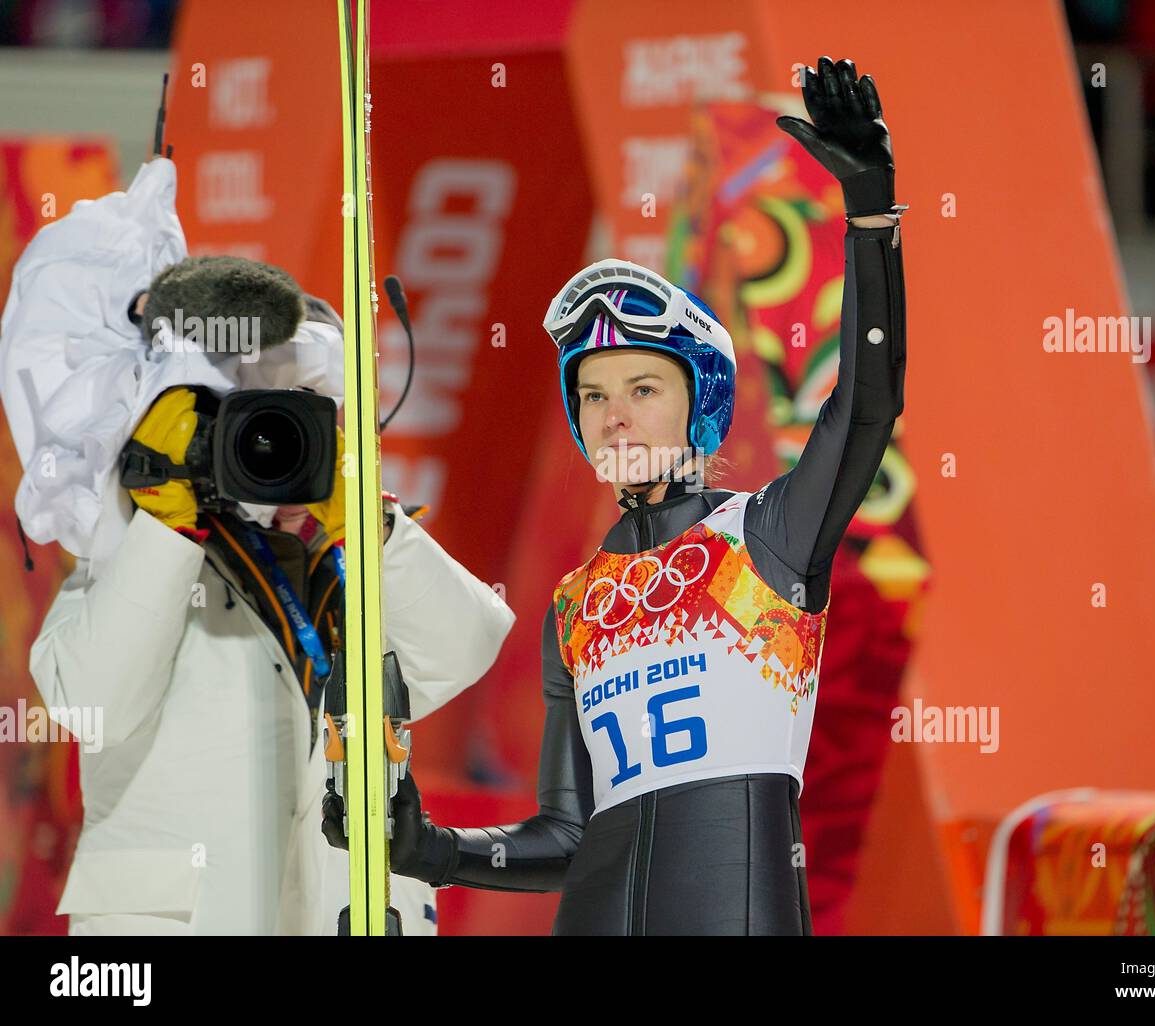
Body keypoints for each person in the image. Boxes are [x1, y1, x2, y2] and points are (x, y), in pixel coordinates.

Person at [324, 54, 906, 935]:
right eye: (593, 394)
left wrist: (869, 219)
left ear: (700, 406)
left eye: (643, 389)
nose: (614, 416)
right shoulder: (574, 604)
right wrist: (432, 851)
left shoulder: (767, 536)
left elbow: (865, 406)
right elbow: (566, 835)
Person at [24, 255, 517, 935]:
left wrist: (370, 520)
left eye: (303, 427)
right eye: (254, 426)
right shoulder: (126, 550)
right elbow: (92, 705)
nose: (275, 453)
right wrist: (170, 525)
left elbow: (465, 646)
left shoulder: (363, 563)